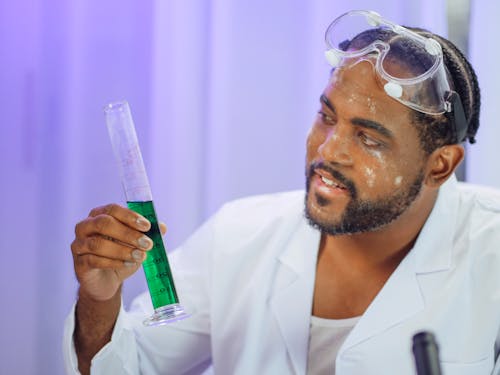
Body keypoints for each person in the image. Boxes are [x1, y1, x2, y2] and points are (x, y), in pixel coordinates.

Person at [63, 10, 500, 375]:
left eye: (369, 138)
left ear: (439, 165)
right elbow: (128, 364)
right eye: (327, 116)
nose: (328, 150)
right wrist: (100, 300)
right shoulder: (238, 235)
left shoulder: (491, 251)